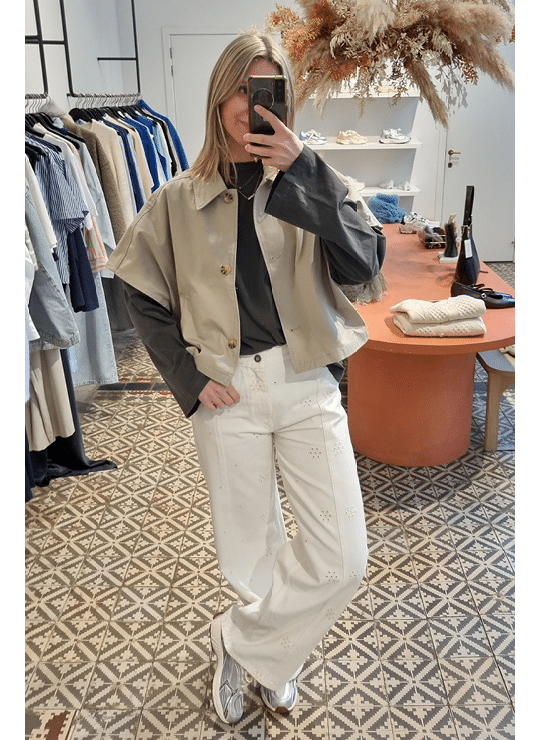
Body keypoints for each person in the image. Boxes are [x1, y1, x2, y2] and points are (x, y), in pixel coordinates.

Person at [106, 30, 385, 724]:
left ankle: (243, 643)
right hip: (226, 391)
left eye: (265, 90)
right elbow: (137, 287)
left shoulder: (311, 180)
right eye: (239, 88)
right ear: (217, 96)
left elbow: (365, 265)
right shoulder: (177, 198)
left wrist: (307, 170)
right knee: (249, 548)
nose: (249, 104)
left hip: (306, 380)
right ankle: (274, 659)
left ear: (283, 99)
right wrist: (187, 378)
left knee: (343, 556)